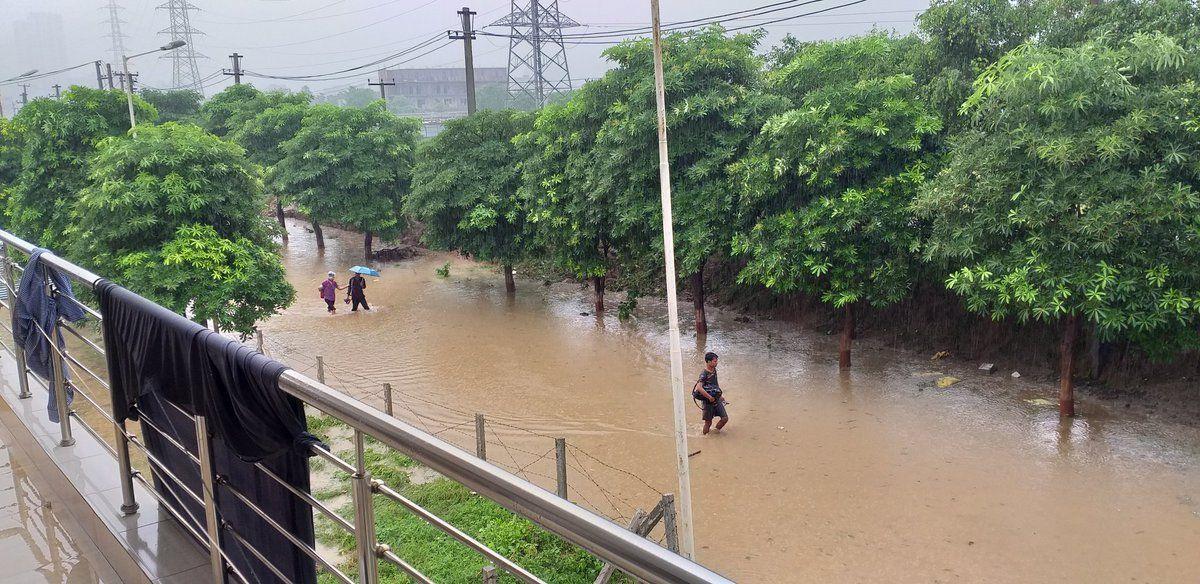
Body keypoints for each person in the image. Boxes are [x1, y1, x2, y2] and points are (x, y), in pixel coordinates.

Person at [693, 352, 728, 435]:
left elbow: (715, 384)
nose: (716, 363)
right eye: (714, 361)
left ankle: (715, 432)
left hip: (716, 398)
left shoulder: (714, 370)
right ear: (708, 362)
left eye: (716, 361)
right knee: (708, 422)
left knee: (724, 418)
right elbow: (699, 388)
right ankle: (705, 437)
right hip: (708, 401)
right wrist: (709, 397)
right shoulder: (704, 374)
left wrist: (720, 396)